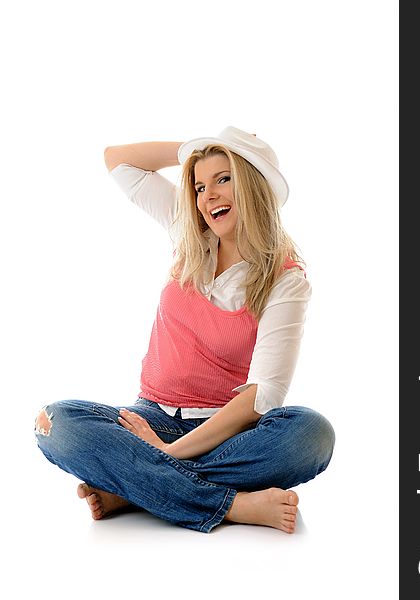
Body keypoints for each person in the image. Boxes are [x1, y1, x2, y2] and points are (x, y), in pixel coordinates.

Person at [34, 126, 335, 534]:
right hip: (152, 417)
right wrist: (192, 151)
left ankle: (135, 487)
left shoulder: (286, 280)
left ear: (253, 185)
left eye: (223, 179)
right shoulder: (187, 231)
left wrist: (169, 454)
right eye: (198, 186)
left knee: (311, 434)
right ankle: (230, 505)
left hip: (229, 433)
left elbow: (261, 400)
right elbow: (118, 159)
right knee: (55, 423)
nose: (207, 196)